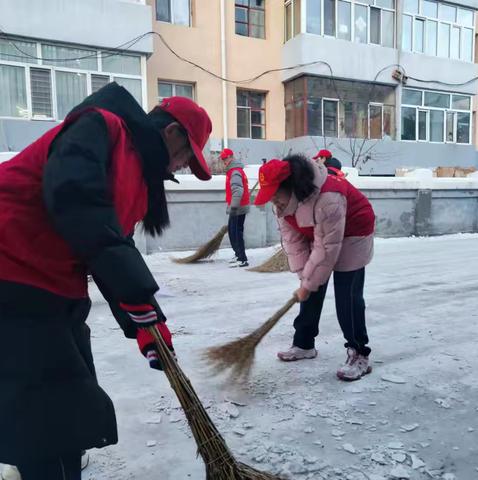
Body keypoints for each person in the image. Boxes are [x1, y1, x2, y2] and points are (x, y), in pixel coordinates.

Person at [0, 82, 212, 479]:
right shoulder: (101, 127)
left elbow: (112, 246)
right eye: (186, 157)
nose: (180, 167)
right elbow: (75, 198)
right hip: (13, 272)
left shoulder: (134, 173)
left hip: (48, 281)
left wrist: (148, 326)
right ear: (171, 133)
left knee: (64, 403)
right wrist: (136, 296)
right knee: (52, 417)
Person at [254, 155, 375, 381]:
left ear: (291, 186)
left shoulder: (328, 197)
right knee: (311, 287)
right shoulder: (282, 204)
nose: (273, 203)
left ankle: (359, 353)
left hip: (353, 230)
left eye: (275, 196)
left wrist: (310, 281)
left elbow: (327, 249)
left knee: (347, 296)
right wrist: (305, 280)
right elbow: (294, 243)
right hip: (322, 232)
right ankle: (304, 343)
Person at [220, 148, 250, 267]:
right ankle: (238, 255)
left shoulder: (235, 171)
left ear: (231, 157)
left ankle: (242, 259)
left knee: (236, 232)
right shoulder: (234, 170)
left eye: (225, 158)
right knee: (233, 231)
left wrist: (233, 207)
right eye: (223, 159)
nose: (224, 161)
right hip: (237, 205)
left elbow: (238, 190)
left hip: (238, 206)